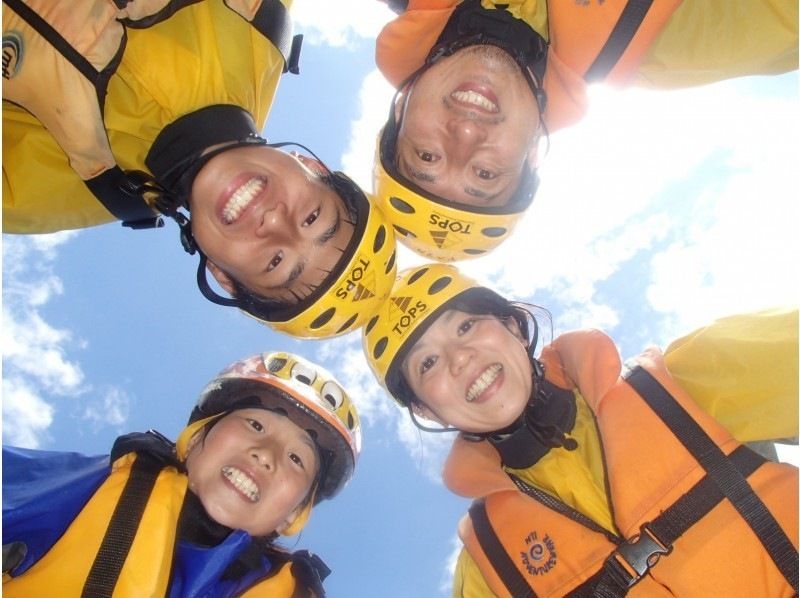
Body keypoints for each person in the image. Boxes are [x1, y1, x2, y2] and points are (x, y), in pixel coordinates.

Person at [363, 263, 799, 596]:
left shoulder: (686, 381)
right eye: (428, 363)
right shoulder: (486, 568)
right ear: (429, 410)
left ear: (513, 325)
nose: (459, 358)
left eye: (465, 325)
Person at [2, 0, 397, 338]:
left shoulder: (32, 194)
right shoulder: (257, 18)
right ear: (310, 165)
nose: (275, 222)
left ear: (222, 275)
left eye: (275, 263)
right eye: (312, 217)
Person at [372, 0, 799, 261]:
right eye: (485, 174)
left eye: (427, 157)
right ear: (534, 151)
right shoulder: (666, 42)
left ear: (403, 104)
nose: (464, 136)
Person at [2, 350, 361, 597]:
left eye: (297, 459)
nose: (266, 455)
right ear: (194, 441)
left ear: (293, 515)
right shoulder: (85, 490)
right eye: (254, 424)